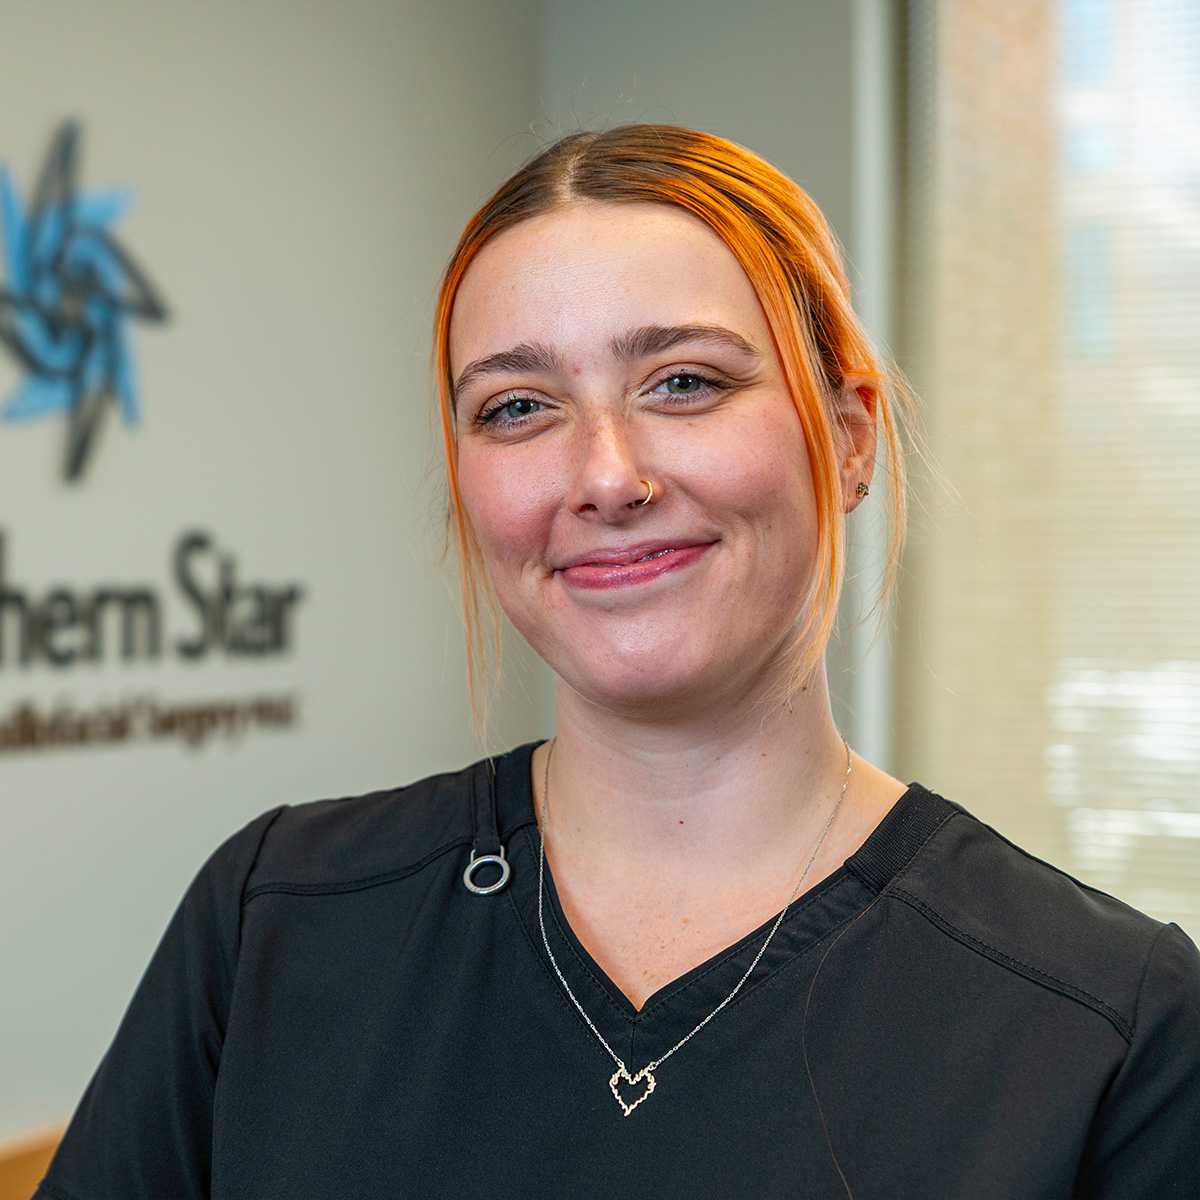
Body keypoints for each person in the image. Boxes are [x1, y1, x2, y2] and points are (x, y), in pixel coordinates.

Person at [37, 126, 1200, 1200]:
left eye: (683, 382)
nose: (605, 475)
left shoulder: (1104, 1020)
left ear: (848, 436)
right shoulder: (272, 923)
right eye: (518, 407)